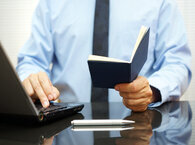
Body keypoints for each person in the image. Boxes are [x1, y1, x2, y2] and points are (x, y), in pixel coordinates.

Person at [16, 0, 191, 112]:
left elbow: (177, 62)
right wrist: (33, 83)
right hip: (66, 127)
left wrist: (152, 90)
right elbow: (32, 61)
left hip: (141, 126)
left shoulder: (161, 2)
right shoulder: (51, 3)